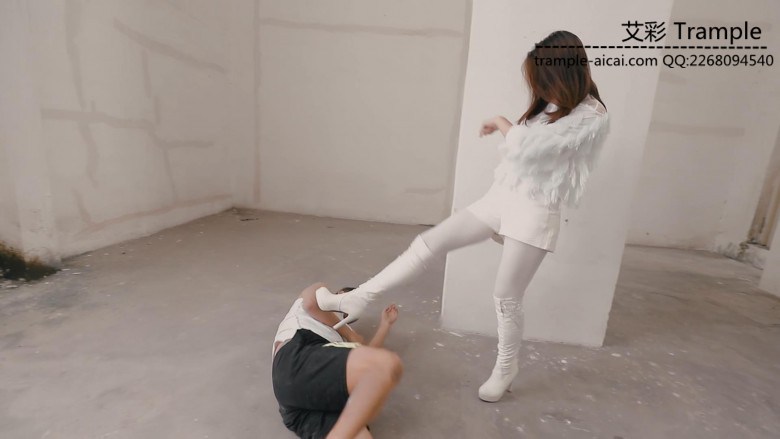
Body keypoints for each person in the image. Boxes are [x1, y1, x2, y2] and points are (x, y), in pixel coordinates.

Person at [316, 30, 610, 403]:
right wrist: (510, 128)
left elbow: (535, 149)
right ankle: (357, 297)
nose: (539, 88)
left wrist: (502, 122)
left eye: (544, 79)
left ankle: (506, 367)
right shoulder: (548, 108)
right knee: (427, 243)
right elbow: (522, 155)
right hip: (501, 197)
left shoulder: (592, 114)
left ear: (564, 72)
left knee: (506, 295)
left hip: (535, 211)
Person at [272, 282, 402, 439]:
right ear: (338, 294)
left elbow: (366, 358)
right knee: (384, 366)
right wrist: (351, 335)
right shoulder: (320, 297)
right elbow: (309, 302)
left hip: (299, 405)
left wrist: (385, 325)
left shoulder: (342, 338)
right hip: (296, 358)